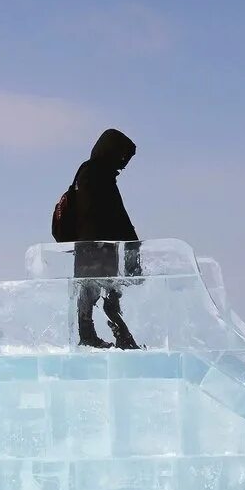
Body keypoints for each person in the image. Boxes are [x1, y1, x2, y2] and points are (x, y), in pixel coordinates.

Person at [70, 128, 141, 350]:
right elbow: (116, 215)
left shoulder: (89, 172)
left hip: (91, 246)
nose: (124, 163)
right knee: (98, 294)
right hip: (96, 247)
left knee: (97, 293)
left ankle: (103, 336)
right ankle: (106, 337)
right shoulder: (98, 173)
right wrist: (132, 246)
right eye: (123, 156)